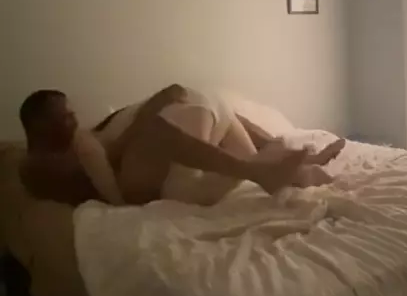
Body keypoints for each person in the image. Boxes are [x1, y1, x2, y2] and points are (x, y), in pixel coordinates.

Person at [18, 85, 344, 208]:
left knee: (225, 113)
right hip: (130, 190)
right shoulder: (37, 166)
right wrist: (148, 112)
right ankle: (258, 172)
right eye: (63, 117)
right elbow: (110, 158)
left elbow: (107, 146)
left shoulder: (78, 138)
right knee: (158, 131)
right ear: (39, 126)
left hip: (137, 170)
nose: (73, 121)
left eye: (72, 113)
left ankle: (295, 165)